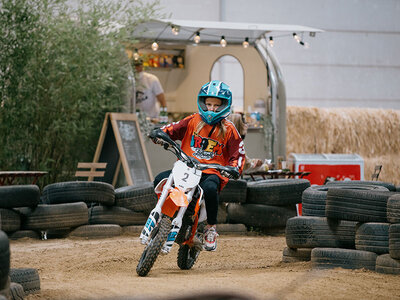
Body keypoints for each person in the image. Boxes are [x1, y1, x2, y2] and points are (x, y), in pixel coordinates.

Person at [152, 80, 245, 251]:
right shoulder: (193, 121)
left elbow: (238, 154)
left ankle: (210, 227)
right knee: (160, 179)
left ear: (225, 105)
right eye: (208, 104)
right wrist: (160, 134)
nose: (211, 108)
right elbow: (172, 129)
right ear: (202, 102)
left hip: (211, 172)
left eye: (216, 105)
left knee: (210, 189)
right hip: (187, 167)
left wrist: (234, 168)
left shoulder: (230, 129)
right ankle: (162, 216)